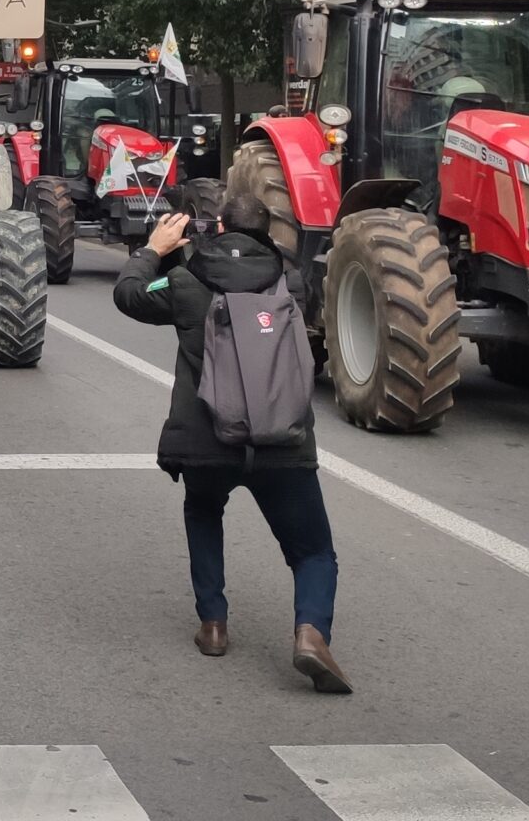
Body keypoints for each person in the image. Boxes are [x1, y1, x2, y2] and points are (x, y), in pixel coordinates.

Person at [114, 194, 349, 695]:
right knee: (313, 552)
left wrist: (156, 249)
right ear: (269, 231)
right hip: (283, 445)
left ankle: (214, 625)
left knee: (203, 511)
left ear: (216, 226)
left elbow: (130, 294)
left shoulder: (185, 281)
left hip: (207, 443)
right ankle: (311, 633)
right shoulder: (294, 281)